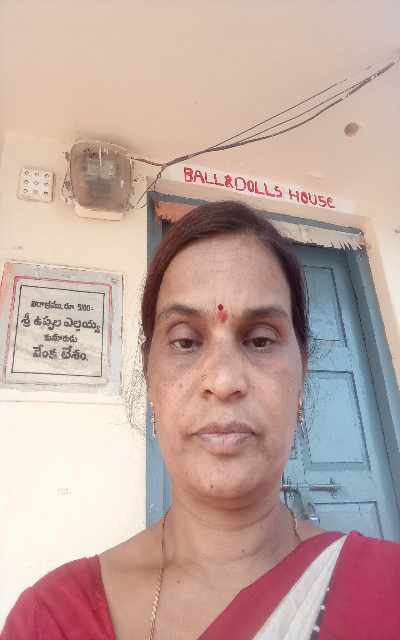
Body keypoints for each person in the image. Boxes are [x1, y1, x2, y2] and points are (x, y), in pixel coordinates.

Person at [2, 200, 400, 640]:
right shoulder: (50, 620)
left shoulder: (389, 591)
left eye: (260, 340)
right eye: (186, 342)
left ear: (302, 371)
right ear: (149, 376)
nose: (224, 381)